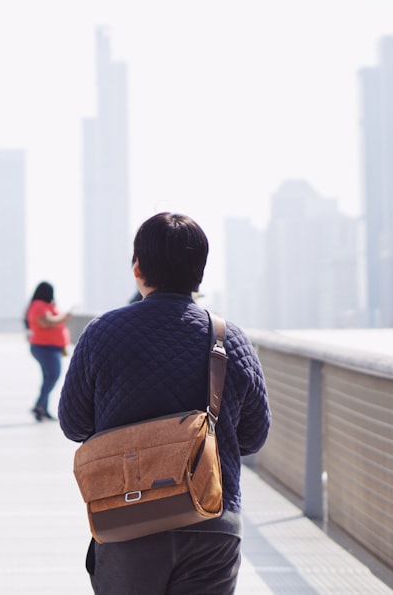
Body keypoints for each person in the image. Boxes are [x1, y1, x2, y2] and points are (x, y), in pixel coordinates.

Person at [58, 212, 271, 594]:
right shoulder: (230, 338)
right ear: (199, 271)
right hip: (211, 521)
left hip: (127, 519)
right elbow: (253, 437)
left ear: (138, 267)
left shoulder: (102, 333)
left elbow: (74, 424)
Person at [25, 281, 71, 422]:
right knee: (53, 375)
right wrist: (65, 317)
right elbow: (47, 322)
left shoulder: (47, 305)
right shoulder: (38, 305)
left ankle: (43, 409)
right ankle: (39, 405)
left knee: (48, 377)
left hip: (52, 347)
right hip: (44, 347)